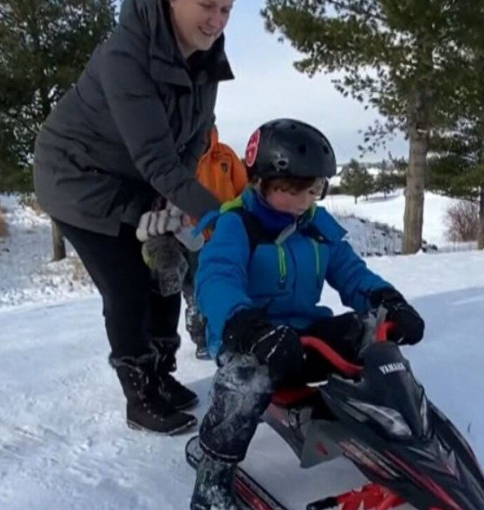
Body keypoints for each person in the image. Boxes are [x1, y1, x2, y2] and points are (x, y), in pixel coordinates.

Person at [188, 118, 425, 509]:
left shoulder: (317, 227)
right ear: (259, 182)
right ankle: (213, 477)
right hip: (252, 338)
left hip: (305, 336)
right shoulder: (236, 225)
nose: (303, 202)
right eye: (292, 190)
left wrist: (388, 301)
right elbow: (216, 279)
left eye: (313, 190)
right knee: (245, 379)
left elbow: (351, 273)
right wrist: (245, 324)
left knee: (374, 334)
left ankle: (403, 439)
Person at [32, 0, 235, 436]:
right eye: (206, 5)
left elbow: (198, 136)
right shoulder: (125, 56)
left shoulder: (206, 57)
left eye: (226, 9)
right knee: (127, 281)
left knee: (166, 266)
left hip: (139, 178)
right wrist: (228, 217)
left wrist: (173, 200)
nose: (216, 21)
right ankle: (140, 395)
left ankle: (162, 373)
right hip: (77, 180)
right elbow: (157, 161)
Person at [183, 125, 248, 358]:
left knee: (228, 282)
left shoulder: (225, 156)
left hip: (226, 232)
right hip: (192, 235)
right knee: (196, 288)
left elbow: (244, 189)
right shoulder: (181, 158)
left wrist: (243, 217)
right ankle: (201, 337)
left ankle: (230, 332)